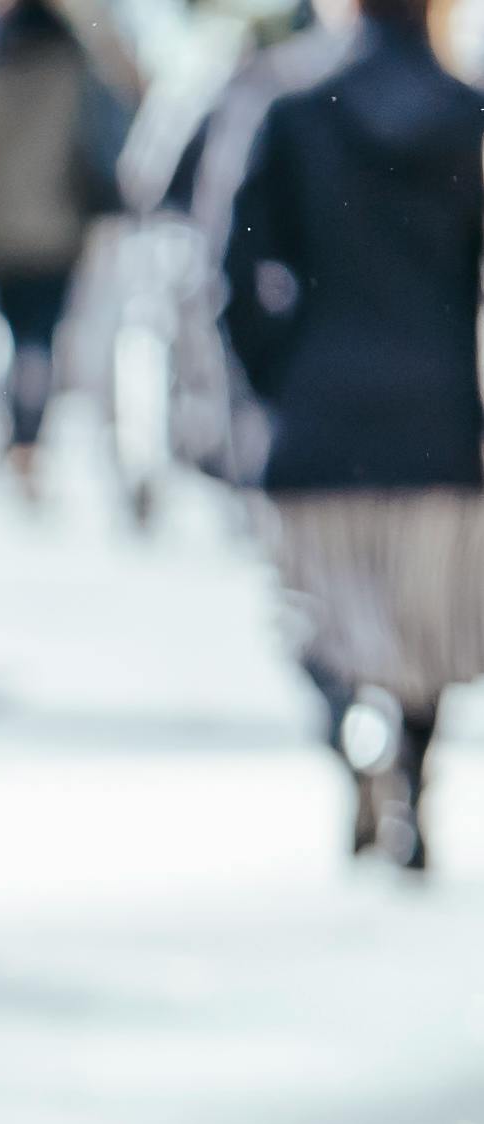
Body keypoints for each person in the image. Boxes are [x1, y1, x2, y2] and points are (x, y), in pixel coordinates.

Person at [222, 0, 483, 869]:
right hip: (442, 422)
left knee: (319, 620)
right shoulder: (470, 118)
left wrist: (273, 379)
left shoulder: (291, 110)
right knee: (429, 625)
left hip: (318, 420)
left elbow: (233, 268)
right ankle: (408, 767)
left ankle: (352, 744)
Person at [0, 0, 142, 497]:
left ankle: (21, 437)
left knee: (16, 337)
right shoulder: (76, 69)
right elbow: (117, 121)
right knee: (42, 338)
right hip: (60, 228)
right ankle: (29, 438)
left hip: (0, 232)